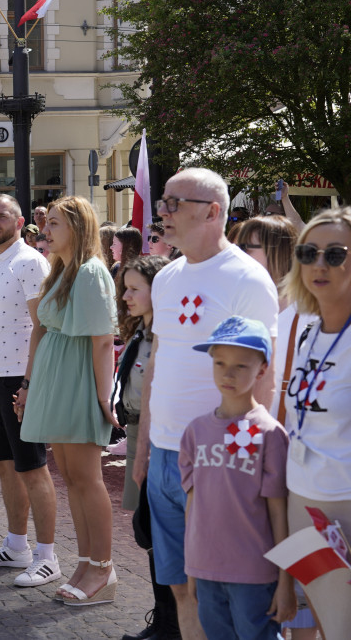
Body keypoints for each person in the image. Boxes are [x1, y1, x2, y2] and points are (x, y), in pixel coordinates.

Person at [135, 168, 279, 638]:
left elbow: (263, 373)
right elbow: (157, 364)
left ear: (213, 211)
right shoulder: (168, 277)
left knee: (224, 590)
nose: (163, 213)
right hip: (164, 454)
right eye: (162, 203)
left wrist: (248, 457)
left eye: (175, 204)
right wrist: (143, 451)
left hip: (222, 457)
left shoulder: (247, 279)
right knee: (180, 586)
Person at [19, 195, 120, 605]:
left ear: (78, 228)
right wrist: (28, 385)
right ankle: (86, 562)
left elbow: (102, 342)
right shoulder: (62, 271)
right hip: (57, 378)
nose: (46, 230)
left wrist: (103, 397)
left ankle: (103, 567)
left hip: (78, 380)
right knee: (72, 480)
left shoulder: (92, 273)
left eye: (55, 223)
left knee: (86, 479)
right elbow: (40, 331)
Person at [180, 316, 294, 638]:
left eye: (241, 366)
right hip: (205, 569)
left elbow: (278, 512)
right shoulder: (195, 431)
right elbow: (193, 504)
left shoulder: (270, 434)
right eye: (219, 363)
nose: (227, 374)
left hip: (254, 574)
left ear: (261, 370)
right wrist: (191, 568)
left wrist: (286, 581)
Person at [0, 195, 62, 587]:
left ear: (19, 220)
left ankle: (48, 556)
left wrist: (29, 382)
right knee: (4, 467)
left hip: (17, 379)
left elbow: (40, 326)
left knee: (33, 469)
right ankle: (16, 545)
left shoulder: (29, 261)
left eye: (1, 217)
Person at [281, 206, 351, 638]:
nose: (319, 264)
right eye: (308, 253)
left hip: (345, 503)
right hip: (302, 500)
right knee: (324, 622)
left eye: (336, 254)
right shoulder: (307, 330)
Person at [116, 255, 179, 640]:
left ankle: (172, 626)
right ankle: (166, 620)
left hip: (158, 440)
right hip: (140, 434)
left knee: (161, 536)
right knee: (149, 534)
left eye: (135, 288)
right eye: (125, 287)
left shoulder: (168, 336)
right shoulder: (142, 330)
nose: (125, 295)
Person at [234, 216, 311, 423]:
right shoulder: (238, 306)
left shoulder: (311, 314)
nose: (236, 255)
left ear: (278, 252)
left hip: (286, 436)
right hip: (239, 435)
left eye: (245, 247)